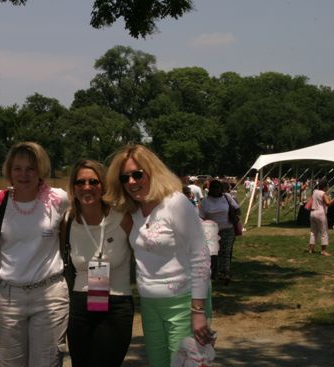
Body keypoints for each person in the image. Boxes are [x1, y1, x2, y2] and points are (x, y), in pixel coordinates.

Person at [104, 144, 213, 367]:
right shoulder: (132, 211)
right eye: (125, 178)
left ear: (152, 171)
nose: (132, 182)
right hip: (150, 303)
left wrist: (198, 311)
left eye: (137, 174)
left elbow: (200, 256)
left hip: (183, 303)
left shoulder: (175, 203)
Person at [0, 142, 69, 367]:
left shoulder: (58, 200)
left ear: (40, 170)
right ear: (9, 171)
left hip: (50, 295)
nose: (23, 174)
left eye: (30, 168)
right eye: (17, 168)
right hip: (8, 297)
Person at [64, 159, 134, 366]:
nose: (87, 187)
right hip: (79, 306)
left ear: (103, 186)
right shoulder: (67, 221)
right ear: (73, 187)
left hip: (117, 304)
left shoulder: (122, 218)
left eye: (93, 182)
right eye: (80, 182)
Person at [199, 180, 240, 283]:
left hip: (227, 229)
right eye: (214, 187)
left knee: (225, 252)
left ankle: (225, 273)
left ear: (221, 189)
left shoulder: (226, 197)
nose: (216, 190)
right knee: (213, 254)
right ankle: (213, 273)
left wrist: (234, 214)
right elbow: (200, 216)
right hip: (211, 231)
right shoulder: (205, 201)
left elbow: (237, 209)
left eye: (218, 187)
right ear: (210, 189)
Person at [308, 180, 334, 256]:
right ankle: (323, 251)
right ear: (325, 187)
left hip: (312, 212)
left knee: (313, 232)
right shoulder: (323, 194)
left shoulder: (315, 192)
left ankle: (311, 249)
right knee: (324, 232)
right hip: (320, 213)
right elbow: (328, 203)